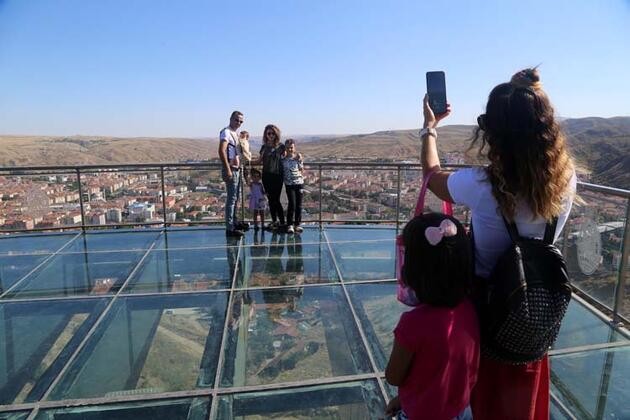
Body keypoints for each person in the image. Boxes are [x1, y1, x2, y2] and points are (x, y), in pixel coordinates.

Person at [418, 68, 577, 420]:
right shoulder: (567, 179)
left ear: (495, 133)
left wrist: (430, 128)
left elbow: (431, 175)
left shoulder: (483, 184)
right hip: (534, 313)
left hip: (487, 314)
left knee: (487, 402)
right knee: (525, 403)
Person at [385, 212, 479, 420]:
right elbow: (443, 372)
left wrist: (404, 400)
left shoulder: (412, 324)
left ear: (413, 269)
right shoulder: (470, 309)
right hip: (461, 411)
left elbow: (393, 376)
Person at [218, 111, 248, 237]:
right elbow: (221, 150)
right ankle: (230, 228)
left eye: (241, 121)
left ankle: (234, 222)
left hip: (237, 168)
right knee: (231, 199)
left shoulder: (234, 133)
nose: (239, 123)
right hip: (231, 169)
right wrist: (228, 169)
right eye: (237, 120)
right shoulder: (226, 132)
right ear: (231, 119)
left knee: (235, 199)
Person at [259, 124, 286, 231]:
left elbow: (288, 156)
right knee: (270, 200)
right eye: (268, 133)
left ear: (276, 134)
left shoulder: (281, 147)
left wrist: (299, 157)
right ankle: (274, 221)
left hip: (278, 176)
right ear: (266, 135)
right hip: (266, 176)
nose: (271, 135)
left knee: (277, 199)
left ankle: (282, 222)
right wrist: (246, 162)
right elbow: (259, 161)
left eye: (273, 133)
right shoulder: (264, 147)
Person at [282, 138, 304, 234]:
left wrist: (300, 160)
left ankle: (297, 224)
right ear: (285, 148)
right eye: (288, 148)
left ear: (294, 148)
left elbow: (301, 170)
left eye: (291, 148)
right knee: (292, 204)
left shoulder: (298, 158)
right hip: (289, 184)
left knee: (299, 205)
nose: (290, 149)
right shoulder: (283, 160)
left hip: (299, 183)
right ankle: (290, 224)